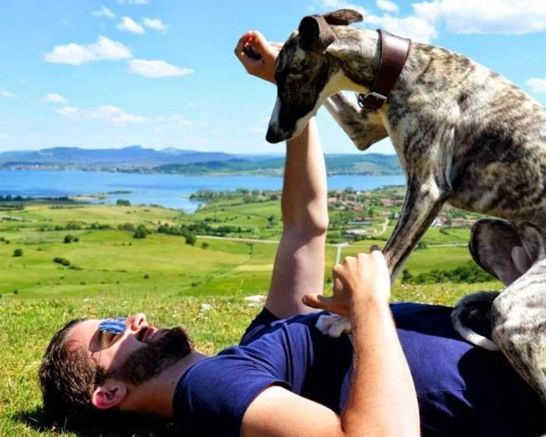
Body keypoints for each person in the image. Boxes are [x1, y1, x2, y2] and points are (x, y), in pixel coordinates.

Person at [39, 32, 546, 437]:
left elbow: (304, 222)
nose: (133, 319)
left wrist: (290, 85)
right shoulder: (209, 390)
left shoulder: (257, 346)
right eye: (109, 333)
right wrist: (369, 305)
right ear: (108, 395)